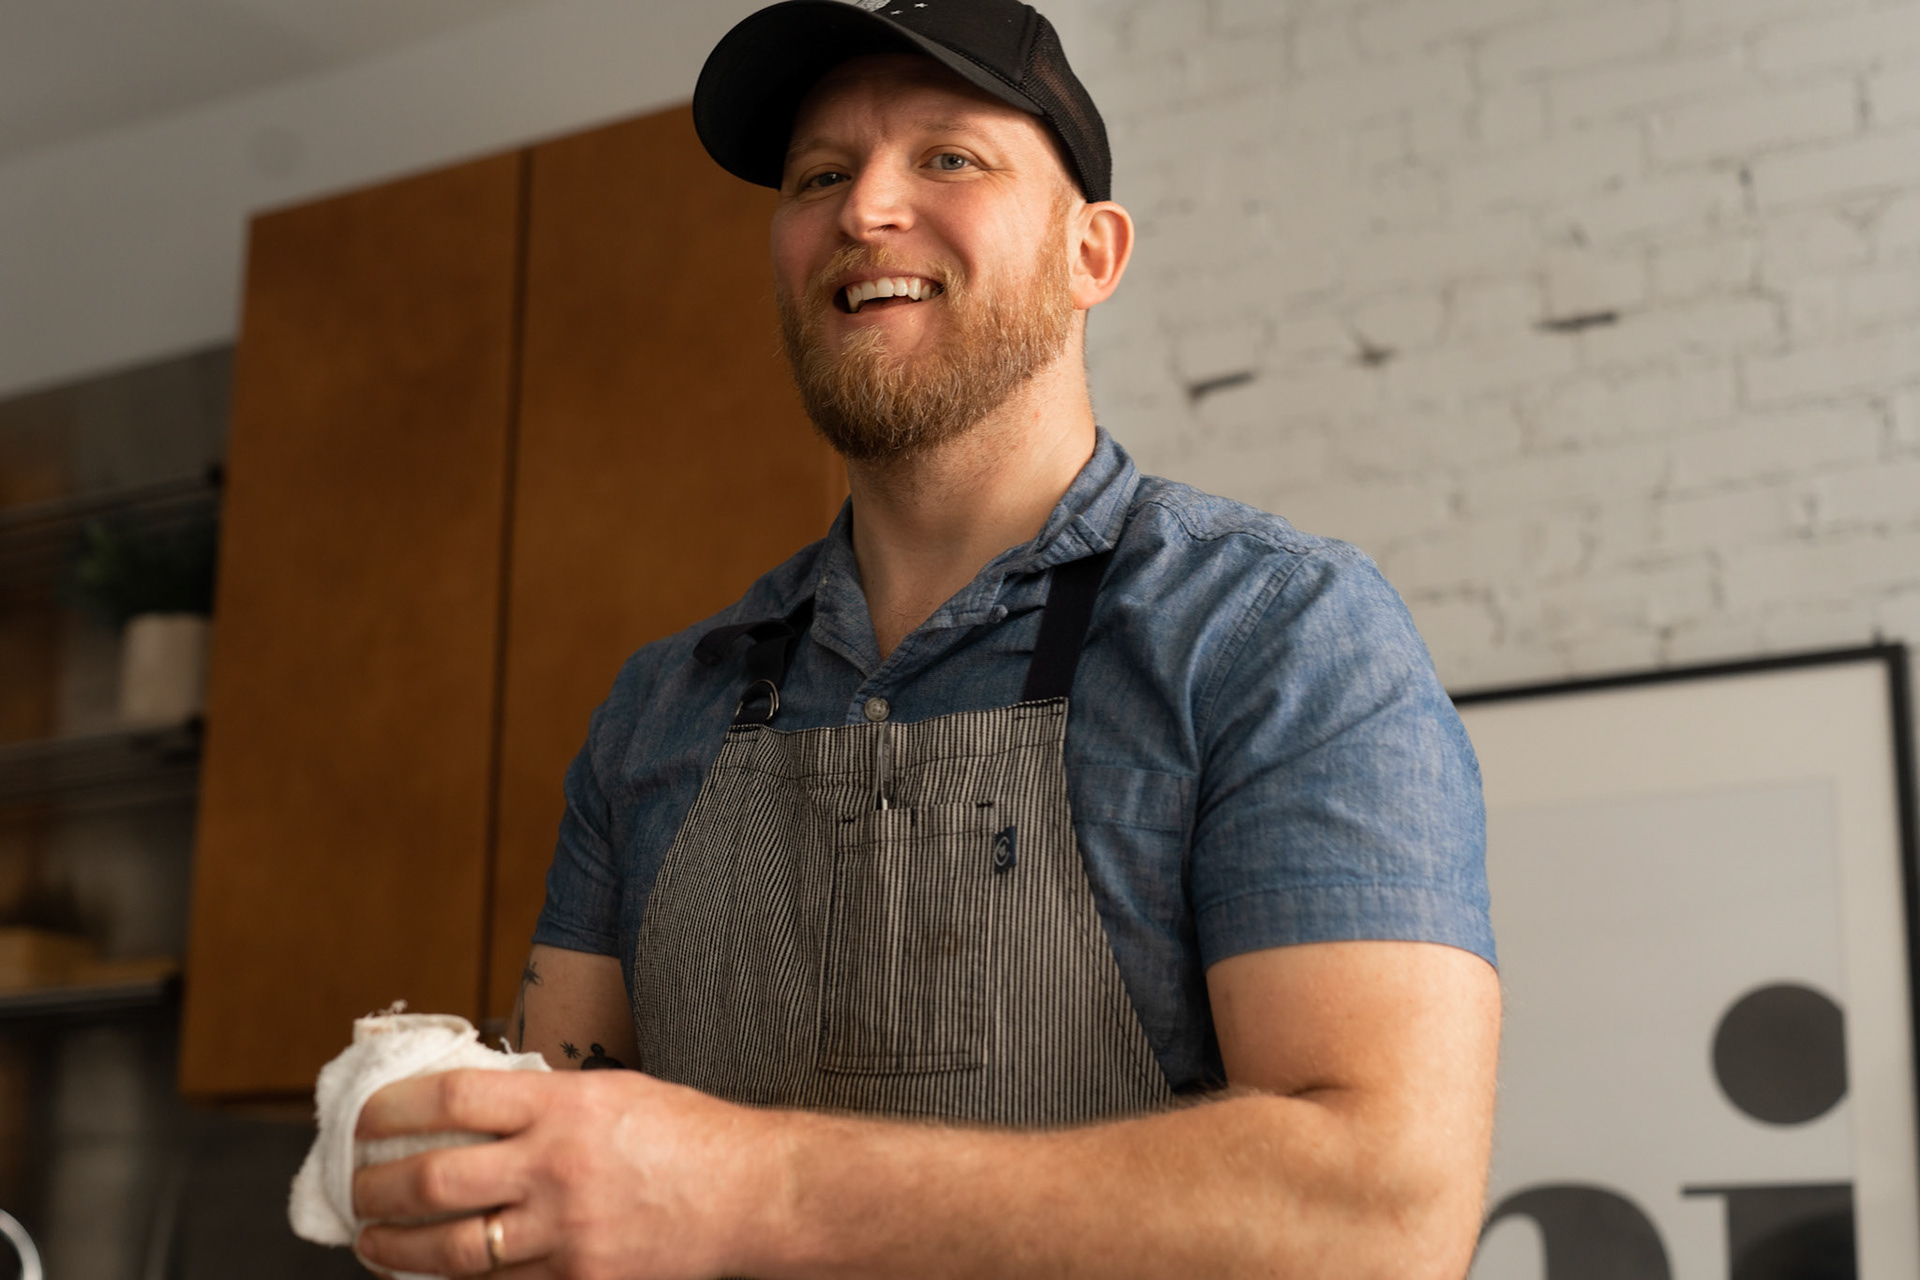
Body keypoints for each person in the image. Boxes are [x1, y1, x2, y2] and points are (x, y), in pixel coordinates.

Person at [351, 1, 1501, 1276]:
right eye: (819, 176)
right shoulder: (661, 707)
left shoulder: (1271, 634)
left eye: (948, 157)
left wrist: (752, 1186)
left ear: (1092, 252)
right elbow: (553, 1176)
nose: (865, 208)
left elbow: (1381, 1215)